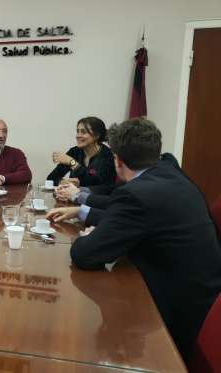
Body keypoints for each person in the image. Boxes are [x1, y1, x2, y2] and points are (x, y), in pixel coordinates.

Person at [46, 118, 221, 361]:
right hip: (203, 295)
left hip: (173, 313)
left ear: (117, 160)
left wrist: (91, 235)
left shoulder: (136, 195)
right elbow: (139, 217)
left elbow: (85, 256)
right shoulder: (168, 169)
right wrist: (84, 212)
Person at [47, 116, 115, 187]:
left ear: (96, 135)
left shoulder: (107, 155)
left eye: (83, 132)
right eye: (78, 131)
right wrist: (63, 182)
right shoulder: (74, 151)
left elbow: (96, 183)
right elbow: (50, 179)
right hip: (72, 197)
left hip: (95, 198)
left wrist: (72, 162)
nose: (78, 135)